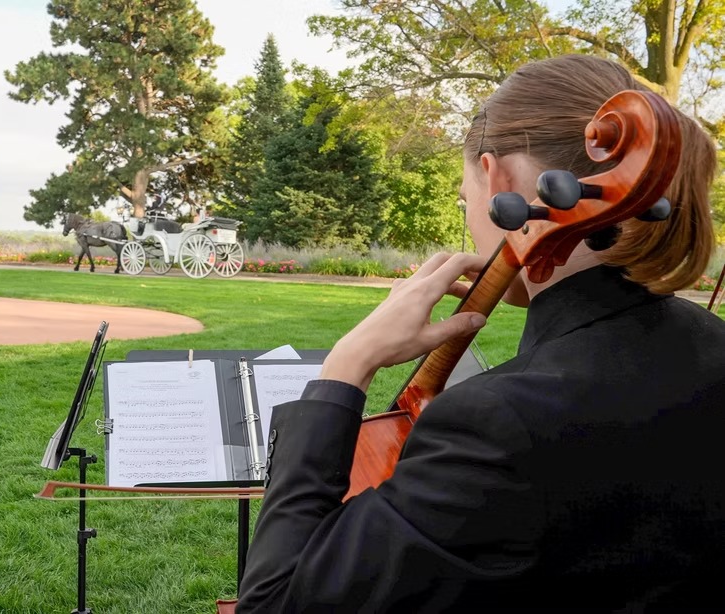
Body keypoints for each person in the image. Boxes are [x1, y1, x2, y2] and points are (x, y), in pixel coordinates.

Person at [237, 54, 725, 612]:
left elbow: (274, 602)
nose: (469, 209)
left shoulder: (499, 426)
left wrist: (346, 365)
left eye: (464, 194)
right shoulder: (712, 348)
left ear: (499, 178)